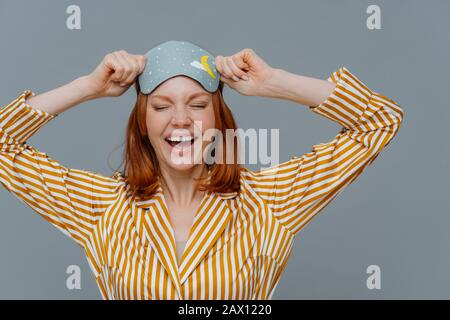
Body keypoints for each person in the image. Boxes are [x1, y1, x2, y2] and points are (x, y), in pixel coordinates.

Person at [0, 40, 403, 299]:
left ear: (218, 121)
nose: (180, 120)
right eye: (161, 106)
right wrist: (87, 87)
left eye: (197, 105)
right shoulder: (102, 207)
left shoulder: (268, 201)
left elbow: (379, 121)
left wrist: (273, 82)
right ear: (143, 123)